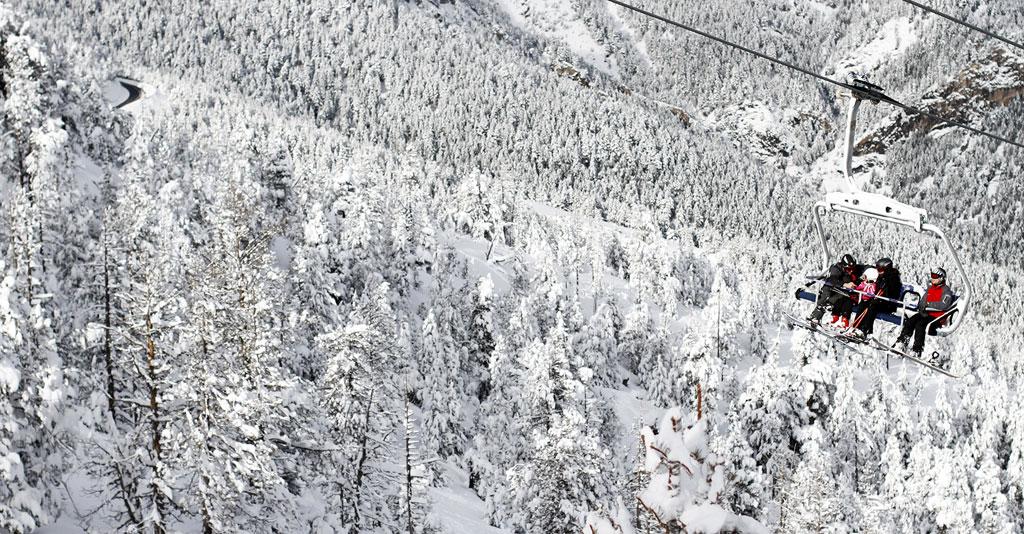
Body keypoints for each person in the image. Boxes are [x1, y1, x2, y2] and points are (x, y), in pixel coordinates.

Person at [894, 268, 956, 358]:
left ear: (942, 278)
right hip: (926, 314)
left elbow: (944, 305)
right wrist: (922, 306)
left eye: (935, 276)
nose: (932, 278)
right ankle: (902, 343)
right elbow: (923, 300)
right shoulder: (931, 288)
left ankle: (917, 350)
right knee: (910, 321)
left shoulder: (946, 291)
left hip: (936, 318)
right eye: (932, 276)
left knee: (920, 325)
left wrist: (928, 304)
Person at [848, 257, 902, 338]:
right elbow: (876, 289)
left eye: (880, 269)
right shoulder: (882, 277)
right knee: (863, 303)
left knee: (872, 306)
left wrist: (886, 288)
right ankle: (856, 327)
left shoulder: (894, 278)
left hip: (888, 303)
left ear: (886, 268)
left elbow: (893, 293)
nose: (878, 271)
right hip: (878, 300)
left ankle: (866, 330)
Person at [807, 253, 861, 325]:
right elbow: (832, 279)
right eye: (848, 269)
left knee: (842, 298)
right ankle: (815, 317)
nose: (851, 271)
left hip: (841, 291)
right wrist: (845, 284)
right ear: (843, 266)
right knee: (827, 297)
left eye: (852, 269)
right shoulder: (836, 269)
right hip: (831, 288)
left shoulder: (851, 272)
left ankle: (838, 322)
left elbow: (862, 268)